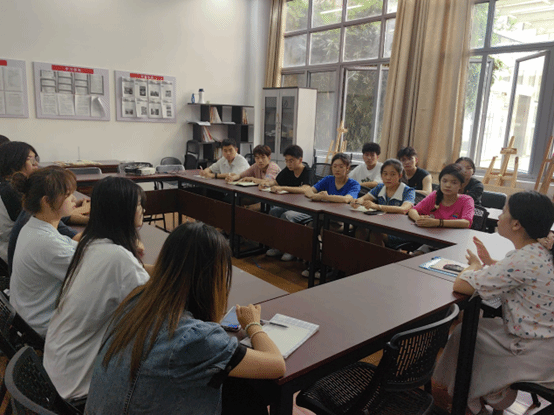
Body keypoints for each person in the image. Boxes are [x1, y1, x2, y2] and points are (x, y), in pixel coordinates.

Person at [85, 222, 285, 415]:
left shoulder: (136, 301)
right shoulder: (193, 338)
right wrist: (253, 324)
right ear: (211, 278)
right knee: (246, 395)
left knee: (236, 388)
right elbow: (276, 365)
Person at [433, 191, 554, 414]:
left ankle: (469, 401)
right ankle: (470, 398)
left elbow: (461, 285)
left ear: (516, 224)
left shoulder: (521, 259)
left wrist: (474, 266)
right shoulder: (538, 251)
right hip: (542, 338)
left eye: (504, 211)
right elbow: (520, 273)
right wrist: (490, 262)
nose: (499, 216)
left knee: (464, 335)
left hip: (533, 349)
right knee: (471, 332)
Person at [44, 177, 152, 401]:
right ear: (122, 211)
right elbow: (155, 310)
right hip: (79, 385)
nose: (143, 209)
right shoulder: (118, 258)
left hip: (58, 368)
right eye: (138, 205)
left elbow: (137, 276)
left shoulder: (91, 244)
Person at [10, 166, 78, 336]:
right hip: (44, 326)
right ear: (46, 201)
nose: (74, 199)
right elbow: (91, 274)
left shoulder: (34, 226)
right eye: (68, 195)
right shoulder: (45, 242)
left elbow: (72, 246)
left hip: (28, 316)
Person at [262, 145, 314, 262]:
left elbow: (305, 189)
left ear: (300, 160)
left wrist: (283, 188)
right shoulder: (288, 170)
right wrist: (266, 184)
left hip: (306, 209)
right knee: (274, 212)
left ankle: (290, 249)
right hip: (290, 205)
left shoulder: (308, 172)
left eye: (291, 161)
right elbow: (276, 182)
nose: (288, 164)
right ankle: (278, 247)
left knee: (287, 216)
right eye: (286, 161)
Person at [350, 158, 415, 244]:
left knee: (376, 234)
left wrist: (377, 206)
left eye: (393, 174)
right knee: (361, 229)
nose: (388, 178)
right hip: (381, 225)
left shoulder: (408, 191)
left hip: (400, 229)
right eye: (385, 174)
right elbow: (363, 198)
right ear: (381, 176)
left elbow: (403, 210)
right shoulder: (380, 187)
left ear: (400, 175)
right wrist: (357, 201)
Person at [0, 141, 39, 265]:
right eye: (31, 160)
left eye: (36, 159)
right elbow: (42, 217)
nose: (36, 164)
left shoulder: (7, 185)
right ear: (15, 161)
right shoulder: (11, 190)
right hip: (13, 255)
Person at [408, 163, 474, 229]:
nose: (448, 185)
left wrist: (438, 222)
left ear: (461, 185)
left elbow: (466, 223)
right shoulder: (434, 195)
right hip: (430, 234)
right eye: (444, 181)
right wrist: (419, 220)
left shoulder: (467, 200)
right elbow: (413, 210)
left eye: (454, 182)